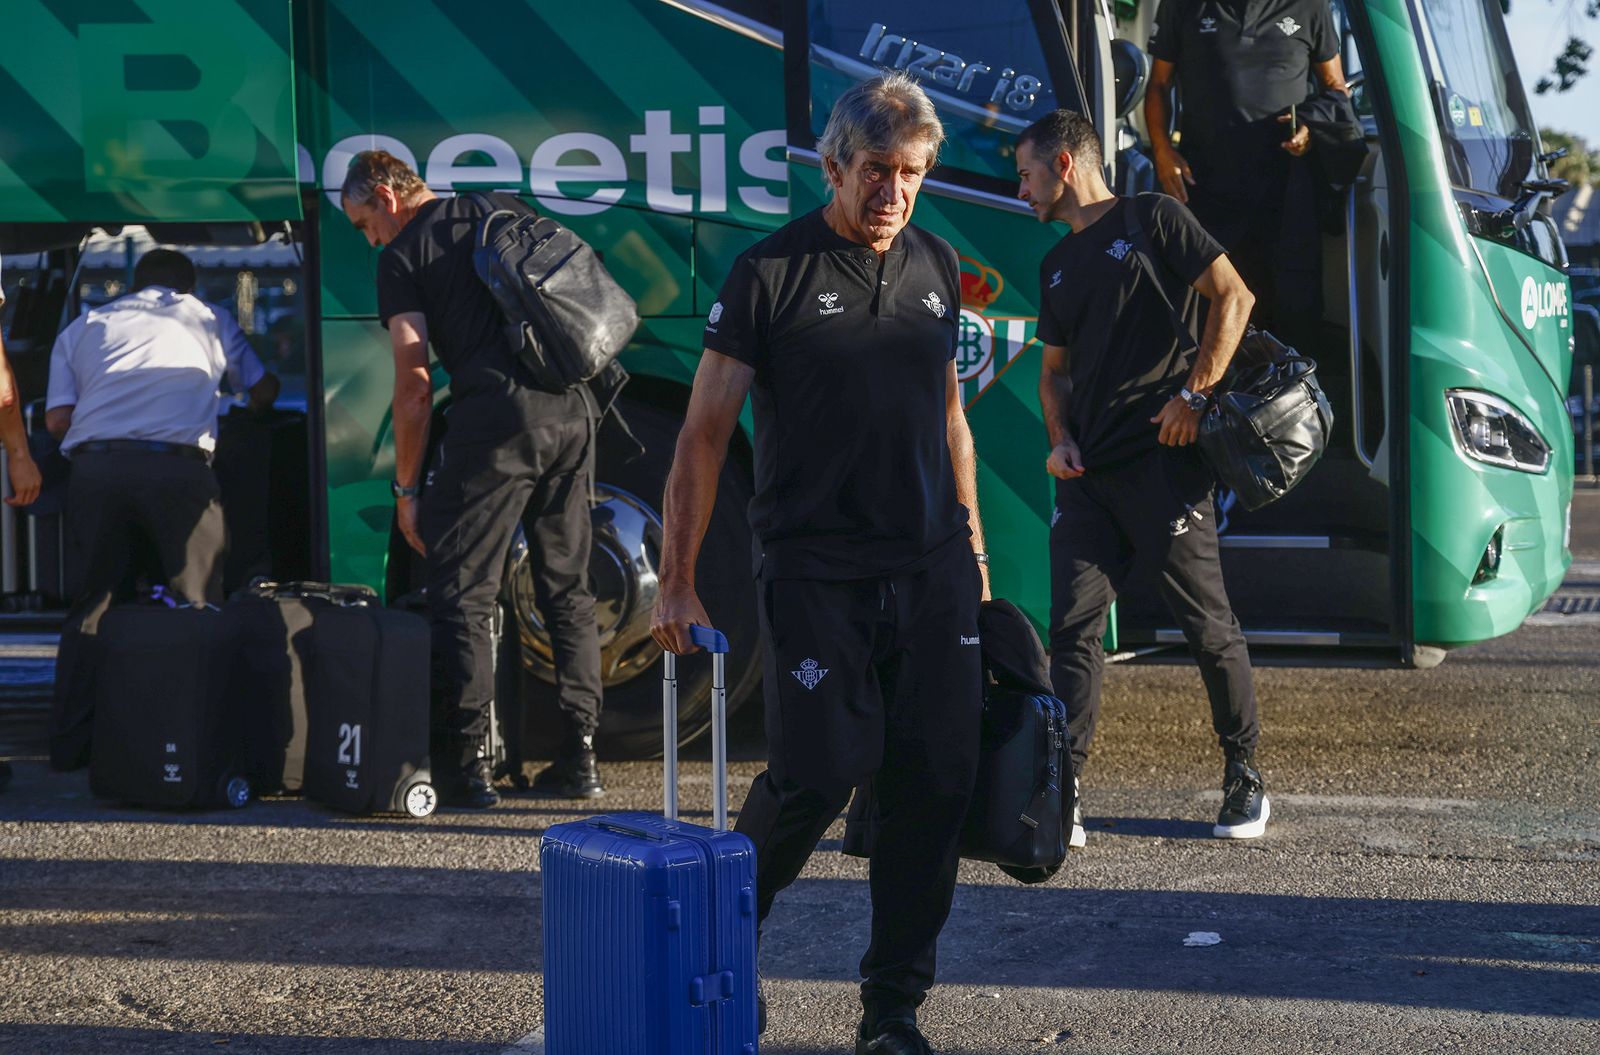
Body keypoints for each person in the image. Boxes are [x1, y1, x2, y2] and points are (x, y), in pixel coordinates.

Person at [651, 72, 989, 1055]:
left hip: (930, 571)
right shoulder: (769, 274)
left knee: (935, 781)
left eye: (913, 174)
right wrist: (675, 577)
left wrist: (972, 548)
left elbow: (951, 419)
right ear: (832, 165)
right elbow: (702, 437)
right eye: (876, 171)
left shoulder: (936, 262)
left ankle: (892, 1008)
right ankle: (725, 940)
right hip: (815, 571)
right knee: (815, 773)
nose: (894, 192)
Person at [1014, 109, 1269, 843]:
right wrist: (1058, 441)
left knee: (1206, 626)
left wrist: (1195, 395)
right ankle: (1065, 790)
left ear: (1063, 164)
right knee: (1072, 631)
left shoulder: (1153, 216)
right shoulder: (1054, 265)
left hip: (1164, 465)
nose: (1020, 186)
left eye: (1027, 171)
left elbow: (1235, 297)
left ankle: (1245, 775)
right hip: (1087, 474)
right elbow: (1053, 375)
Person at [340, 151, 604, 808]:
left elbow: (414, 384)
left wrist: (407, 489)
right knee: (567, 587)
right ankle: (581, 757)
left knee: (462, 592)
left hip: (498, 424)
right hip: (573, 410)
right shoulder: (498, 209)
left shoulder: (400, 257)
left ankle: (468, 768)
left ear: (385, 195)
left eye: (362, 221)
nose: (367, 236)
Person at [45, 249, 278, 770]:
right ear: (188, 286)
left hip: (97, 471)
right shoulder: (208, 318)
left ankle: (70, 746)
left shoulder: (86, 324)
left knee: (93, 606)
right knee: (195, 605)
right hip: (180, 474)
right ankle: (197, 741)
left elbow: (59, 420)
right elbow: (264, 390)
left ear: (134, 283)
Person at [1144, 0, 1348, 343]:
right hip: (1205, 189)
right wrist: (1163, 151)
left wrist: (1311, 130)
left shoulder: (1310, 6)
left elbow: (1335, 88)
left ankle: (1296, 395)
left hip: (1286, 194)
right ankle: (1206, 396)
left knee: (1292, 313)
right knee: (1205, 316)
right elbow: (1159, 84)